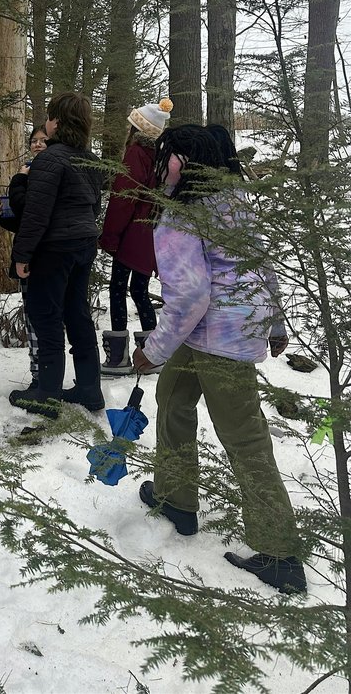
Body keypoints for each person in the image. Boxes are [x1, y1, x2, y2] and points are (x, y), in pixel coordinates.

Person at [133, 124, 306, 594]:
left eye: (167, 156)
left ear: (184, 163)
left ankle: (280, 553)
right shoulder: (232, 198)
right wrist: (273, 322)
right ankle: (175, 498)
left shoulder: (182, 213)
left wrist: (151, 349)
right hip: (213, 332)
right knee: (172, 399)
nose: (160, 163)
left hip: (220, 337)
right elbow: (260, 262)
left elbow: (190, 295)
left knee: (244, 438)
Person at [10, 92, 104, 417]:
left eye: (49, 117)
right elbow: (94, 206)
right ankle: (90, 390)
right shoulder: (89, 159)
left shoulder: (49, 159)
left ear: (58, 122)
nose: (46, 123)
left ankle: (46, 395)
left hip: (54, 250)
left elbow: (36, 214)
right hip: (83, 245)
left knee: (46, 318)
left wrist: (21, 255)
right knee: (77, 315)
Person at [98, 99, 173, 374]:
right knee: (139, 291)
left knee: (118, 289)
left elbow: (122, 199)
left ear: (137, 128)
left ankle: (118, 358)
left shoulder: (135, 153)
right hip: (151, 234)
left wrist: (110, 236)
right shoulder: (162, 156)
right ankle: (153, 354)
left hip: (131, 233)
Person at [0, 125, 48, 387]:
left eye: (43, 140)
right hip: (30, 252)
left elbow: (29, 211)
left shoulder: (41, 174)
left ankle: (43, 376)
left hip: (40, 256)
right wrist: (0, 214)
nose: (37, 145)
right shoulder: (30, 168)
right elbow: (24, 221)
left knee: (39, 318)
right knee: (33, 317)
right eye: (33, 141)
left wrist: (18, 181)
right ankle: (39, 372)